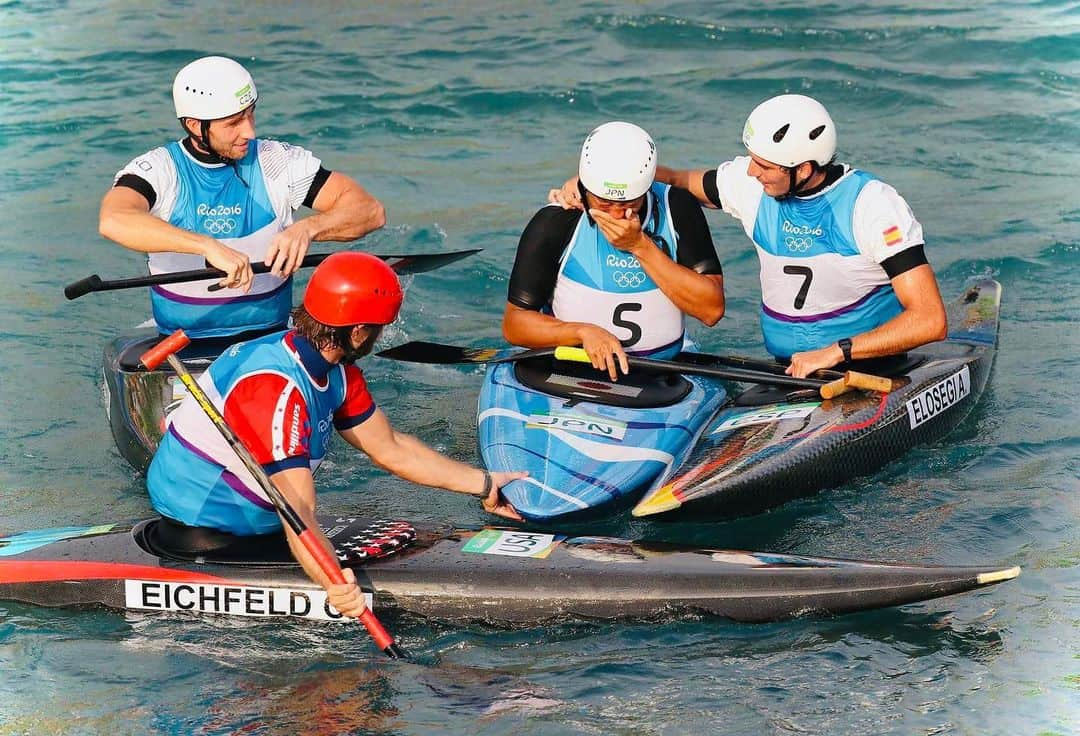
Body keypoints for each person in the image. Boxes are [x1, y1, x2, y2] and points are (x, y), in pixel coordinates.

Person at [146, 252, 525, 617]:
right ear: (358, 331)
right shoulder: (275, 389)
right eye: (379, 329)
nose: (380, 337)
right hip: (205, 535)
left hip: (263, 522)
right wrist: (332, 584)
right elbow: (297, 507)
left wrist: (484, 483)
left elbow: (390, 448)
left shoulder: (335, 372)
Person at [550, 95, 947, 379]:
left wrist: (835, 352)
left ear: (804, 169)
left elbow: (929, 320)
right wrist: (589, 186)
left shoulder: (873, 206)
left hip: (872, 368)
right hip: (790, 370)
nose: (751, 172)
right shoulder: (752, 185)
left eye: (764, 165)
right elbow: (669, 179)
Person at [99, 55, 386, 339]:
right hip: (180, 344)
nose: (250, 131)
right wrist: (207, 246)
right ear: (194, 125)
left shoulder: (276, 161)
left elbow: (370, 211)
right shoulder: (160, 169)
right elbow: (114, 220)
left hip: (270, 340)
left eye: (251, 114)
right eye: (234, 122)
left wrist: (308, 228)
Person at [505, 121, 725, 380]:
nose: (617, 214)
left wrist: (640, 246)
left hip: (662, 374)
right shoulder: (555, 222)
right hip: (573, 371)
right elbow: (514, 324)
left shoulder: (677, 207)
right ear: (585, 189)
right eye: (605, 203)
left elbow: (711, 311)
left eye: (629, 202)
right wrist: (582, 332)